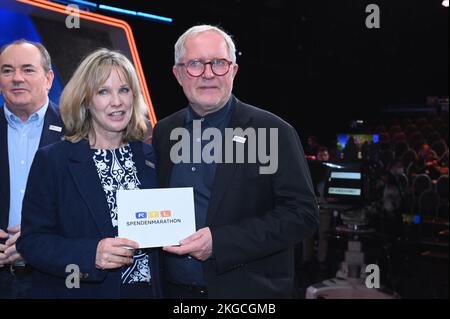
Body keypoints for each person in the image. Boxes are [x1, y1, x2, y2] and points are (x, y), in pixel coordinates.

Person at [152, 25, 319, 299]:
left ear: (233, 71)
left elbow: (302, 215)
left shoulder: (273, 132)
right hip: (174, 293)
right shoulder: (164, 132)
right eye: (195, 64)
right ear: (178, 73)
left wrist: (220, 242)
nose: (208, 74)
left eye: (218, 63)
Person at [16, 49, 160, 298]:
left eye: (124, 90)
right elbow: (32, 242)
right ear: (85, 100)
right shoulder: (53, 161)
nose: (117, 101)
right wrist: (90, 254)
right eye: (103, 91)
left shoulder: (149, 158)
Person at [0, 40, 63, 298]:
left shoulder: (77, 132)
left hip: (54, 277)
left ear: (48, 79)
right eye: (6, 70)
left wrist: (35, 241)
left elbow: (88, 210)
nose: (16, 78)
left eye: (27, 69)